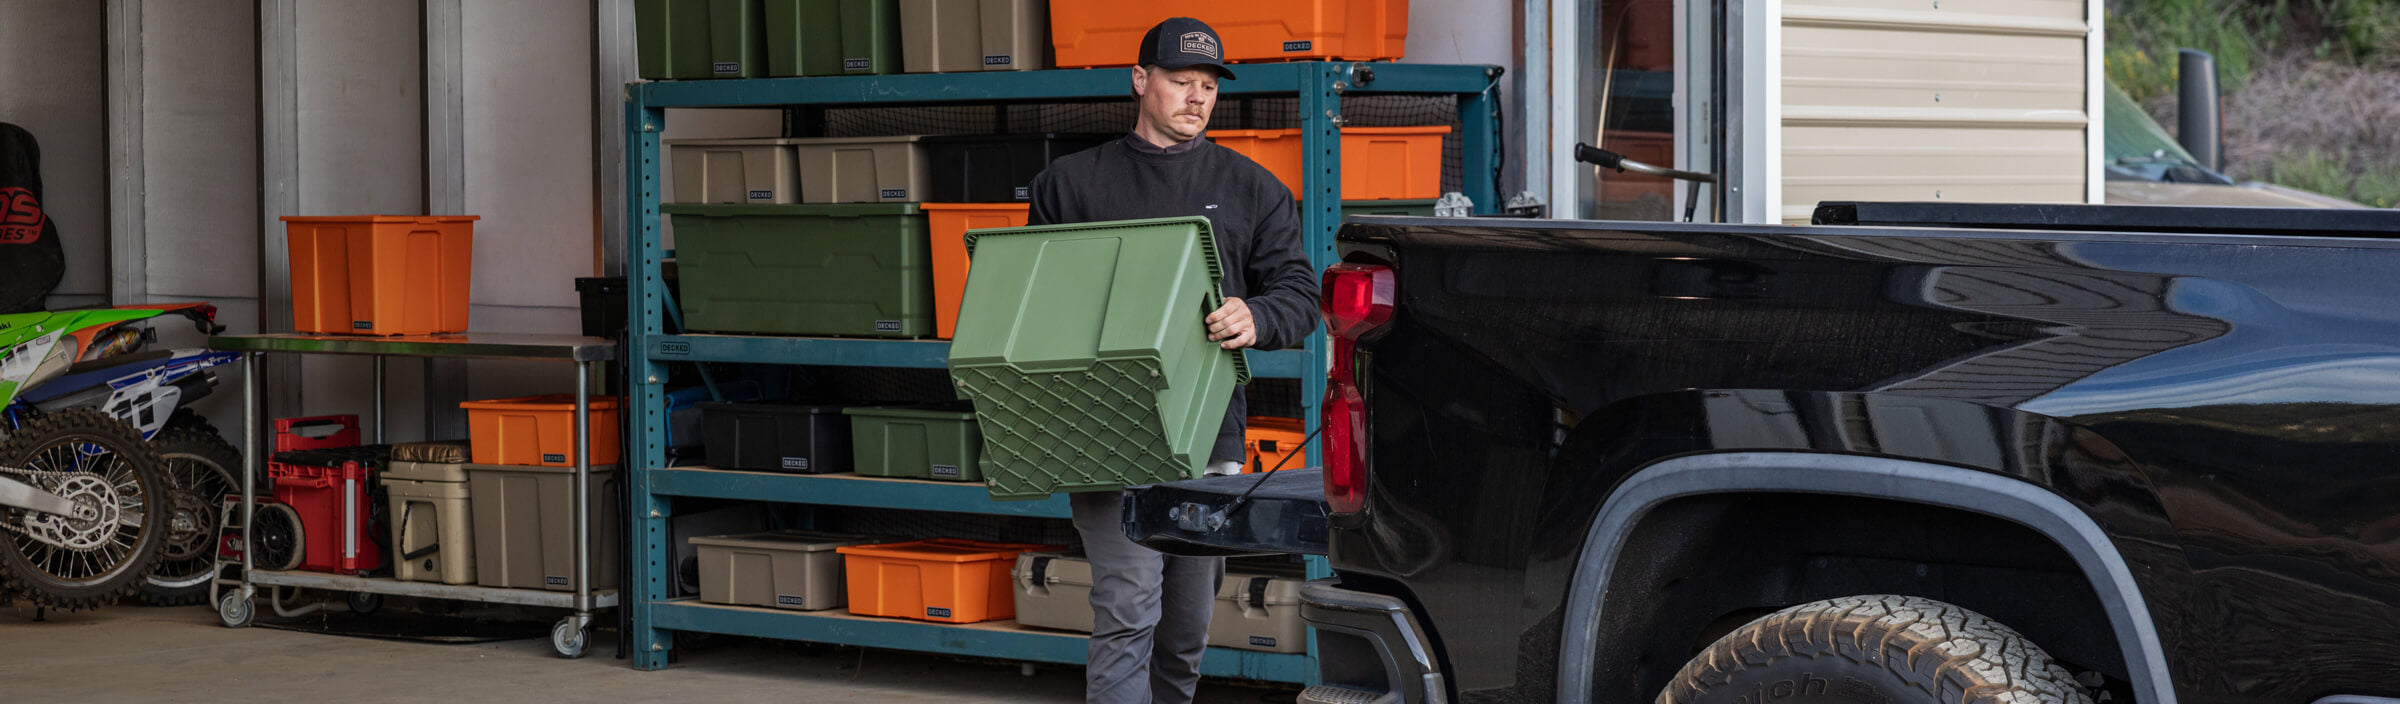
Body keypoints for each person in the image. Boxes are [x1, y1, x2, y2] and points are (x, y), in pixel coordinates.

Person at [1024, 16, 1320, 704]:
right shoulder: (1070, 185)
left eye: (1209, 85)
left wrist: (1258, 314)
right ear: (1140, 81)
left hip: (1207, 437)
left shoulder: (1253, 188)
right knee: (1129, 608)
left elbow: (1302, 296)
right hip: (1102, 435)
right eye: (1182, 81)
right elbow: (1030, 304)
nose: (1198, 97)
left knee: (1186, 627)